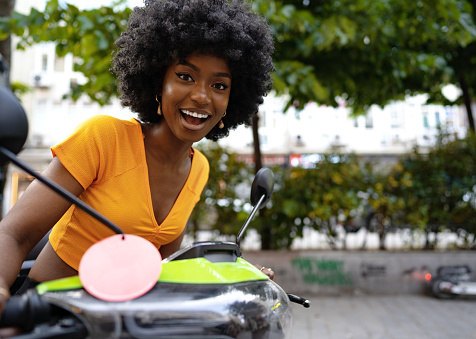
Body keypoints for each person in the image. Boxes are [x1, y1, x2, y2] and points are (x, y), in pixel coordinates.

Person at [0, 0, 275, 323]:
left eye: (219, 85)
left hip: (120, 323)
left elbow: (162, 267)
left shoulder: (198, 168)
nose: (202, 96)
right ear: (158, 83)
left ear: (231, 101)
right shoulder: (103, 138)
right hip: (42, 317)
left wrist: (233, 278)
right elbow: (15, 234)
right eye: (185, 76)